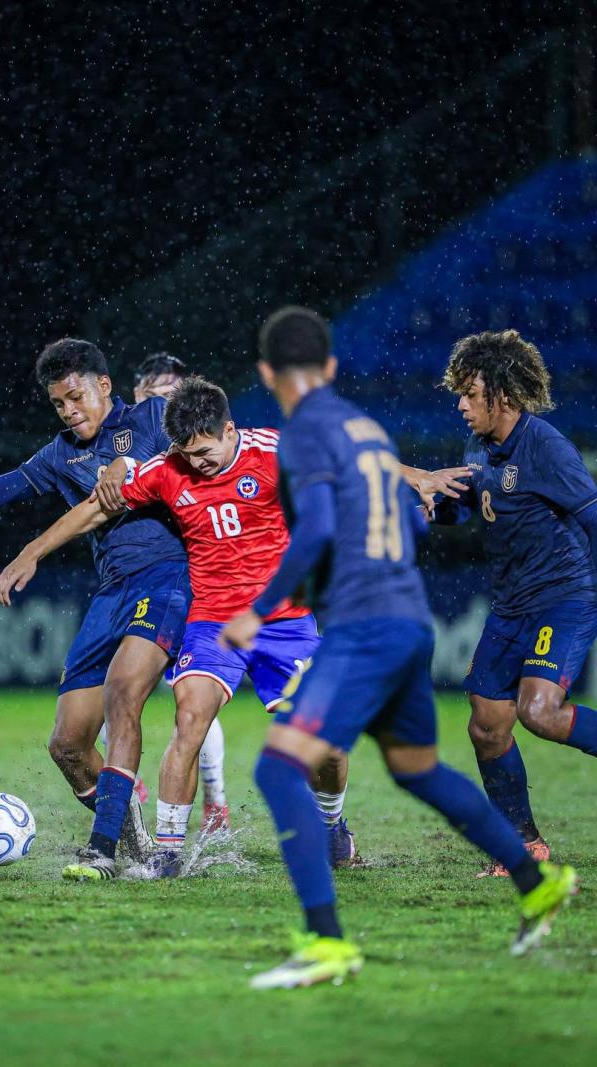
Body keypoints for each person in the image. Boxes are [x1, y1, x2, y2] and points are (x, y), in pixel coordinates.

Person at [220, 306, 577, 989]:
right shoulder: (364, 427)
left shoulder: (303, 436)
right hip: (409, 620)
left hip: (362, 626)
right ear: (328, 367)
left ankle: (327, 943)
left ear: (268, 373)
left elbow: (320, 529)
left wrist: (257, 611)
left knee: (277, 769)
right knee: (415, 769)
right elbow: (405, 528)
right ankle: (535, 881)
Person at [5, 377, 356, 880]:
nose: (198, 464)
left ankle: (331, 826)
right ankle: (168, 856)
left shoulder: (276, 451)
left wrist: (415, 482)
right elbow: (96, 507)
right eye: (187, 455)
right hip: (213, 622)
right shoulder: (167, 470)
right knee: (189, 718)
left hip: (286, 623)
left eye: (207, 452)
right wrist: (31, 551)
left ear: (229, 429)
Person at [0, 338, 191, 861]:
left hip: (166, 578)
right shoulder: (60, 454)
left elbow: (202, 434)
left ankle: (102, 850)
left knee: (122, 693)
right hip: (111, 593)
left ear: (105, 386)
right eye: (58, 404)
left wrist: (35, 550)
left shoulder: (153, 416)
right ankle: (137, 842)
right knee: (66, 745)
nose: (69, 411)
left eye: (76, 396)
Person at [430, 329, 597, 875]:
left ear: (503, 395)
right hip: (509, 605)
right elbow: (468, 509)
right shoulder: (477, 449)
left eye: (469, 393)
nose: (459, 404)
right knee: (485, 723)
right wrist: (431, 506)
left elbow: (592, 514)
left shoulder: (545, 447)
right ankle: (523, 843)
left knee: (539, 712)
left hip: (562, 598)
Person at [129, 350, 230, 833]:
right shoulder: (130, 449)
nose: (164, 406)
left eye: (173, 395)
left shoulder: (203, 449)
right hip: (140, 584)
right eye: (156, 397)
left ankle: (216, 799)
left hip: (193, 589)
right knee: (121, 690)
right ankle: (132, 786)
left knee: (190, 698)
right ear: (137, 397)